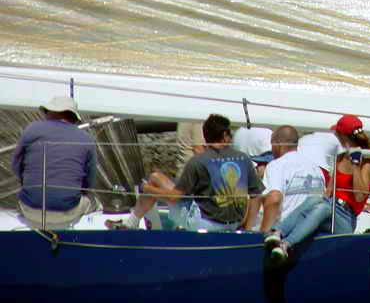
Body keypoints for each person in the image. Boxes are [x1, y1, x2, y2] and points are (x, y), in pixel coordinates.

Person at [109, 114, 263, 231]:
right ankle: (132, 222)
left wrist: (147, 189)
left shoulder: (198, 161)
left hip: (205, 223)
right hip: (235, 223)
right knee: (159, 180)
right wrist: (248, 229)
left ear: (205, 136)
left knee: (154, 180)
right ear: (225, 136)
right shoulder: (243, 158)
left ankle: (132, 222)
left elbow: (174, 197)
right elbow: (256, 195)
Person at [265, 115, 370, 262]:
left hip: (346, 217)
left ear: (342, 136)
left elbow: (359, 197)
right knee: (315, 199)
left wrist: (356, 165)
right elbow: (328, 191)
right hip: (330, 207)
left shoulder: (367, 161)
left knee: (323, 208)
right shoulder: (339, 157)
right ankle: (277, 232)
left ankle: (287, 244)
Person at [12, 96, 100, 228]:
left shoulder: (32, 129)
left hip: (30, 209)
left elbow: (16, 167)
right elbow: (89, 181)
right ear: (73, 117)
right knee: (96, 203)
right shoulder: (86, 139)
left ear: (50, 112)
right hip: (67, 212)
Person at [259, 125, 325, 232]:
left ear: (278, 143)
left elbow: (274, 199)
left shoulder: (277, 165)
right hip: (312, 232)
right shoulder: (316, 168)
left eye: (272, 144)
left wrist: (263, 233)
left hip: (283, 232)